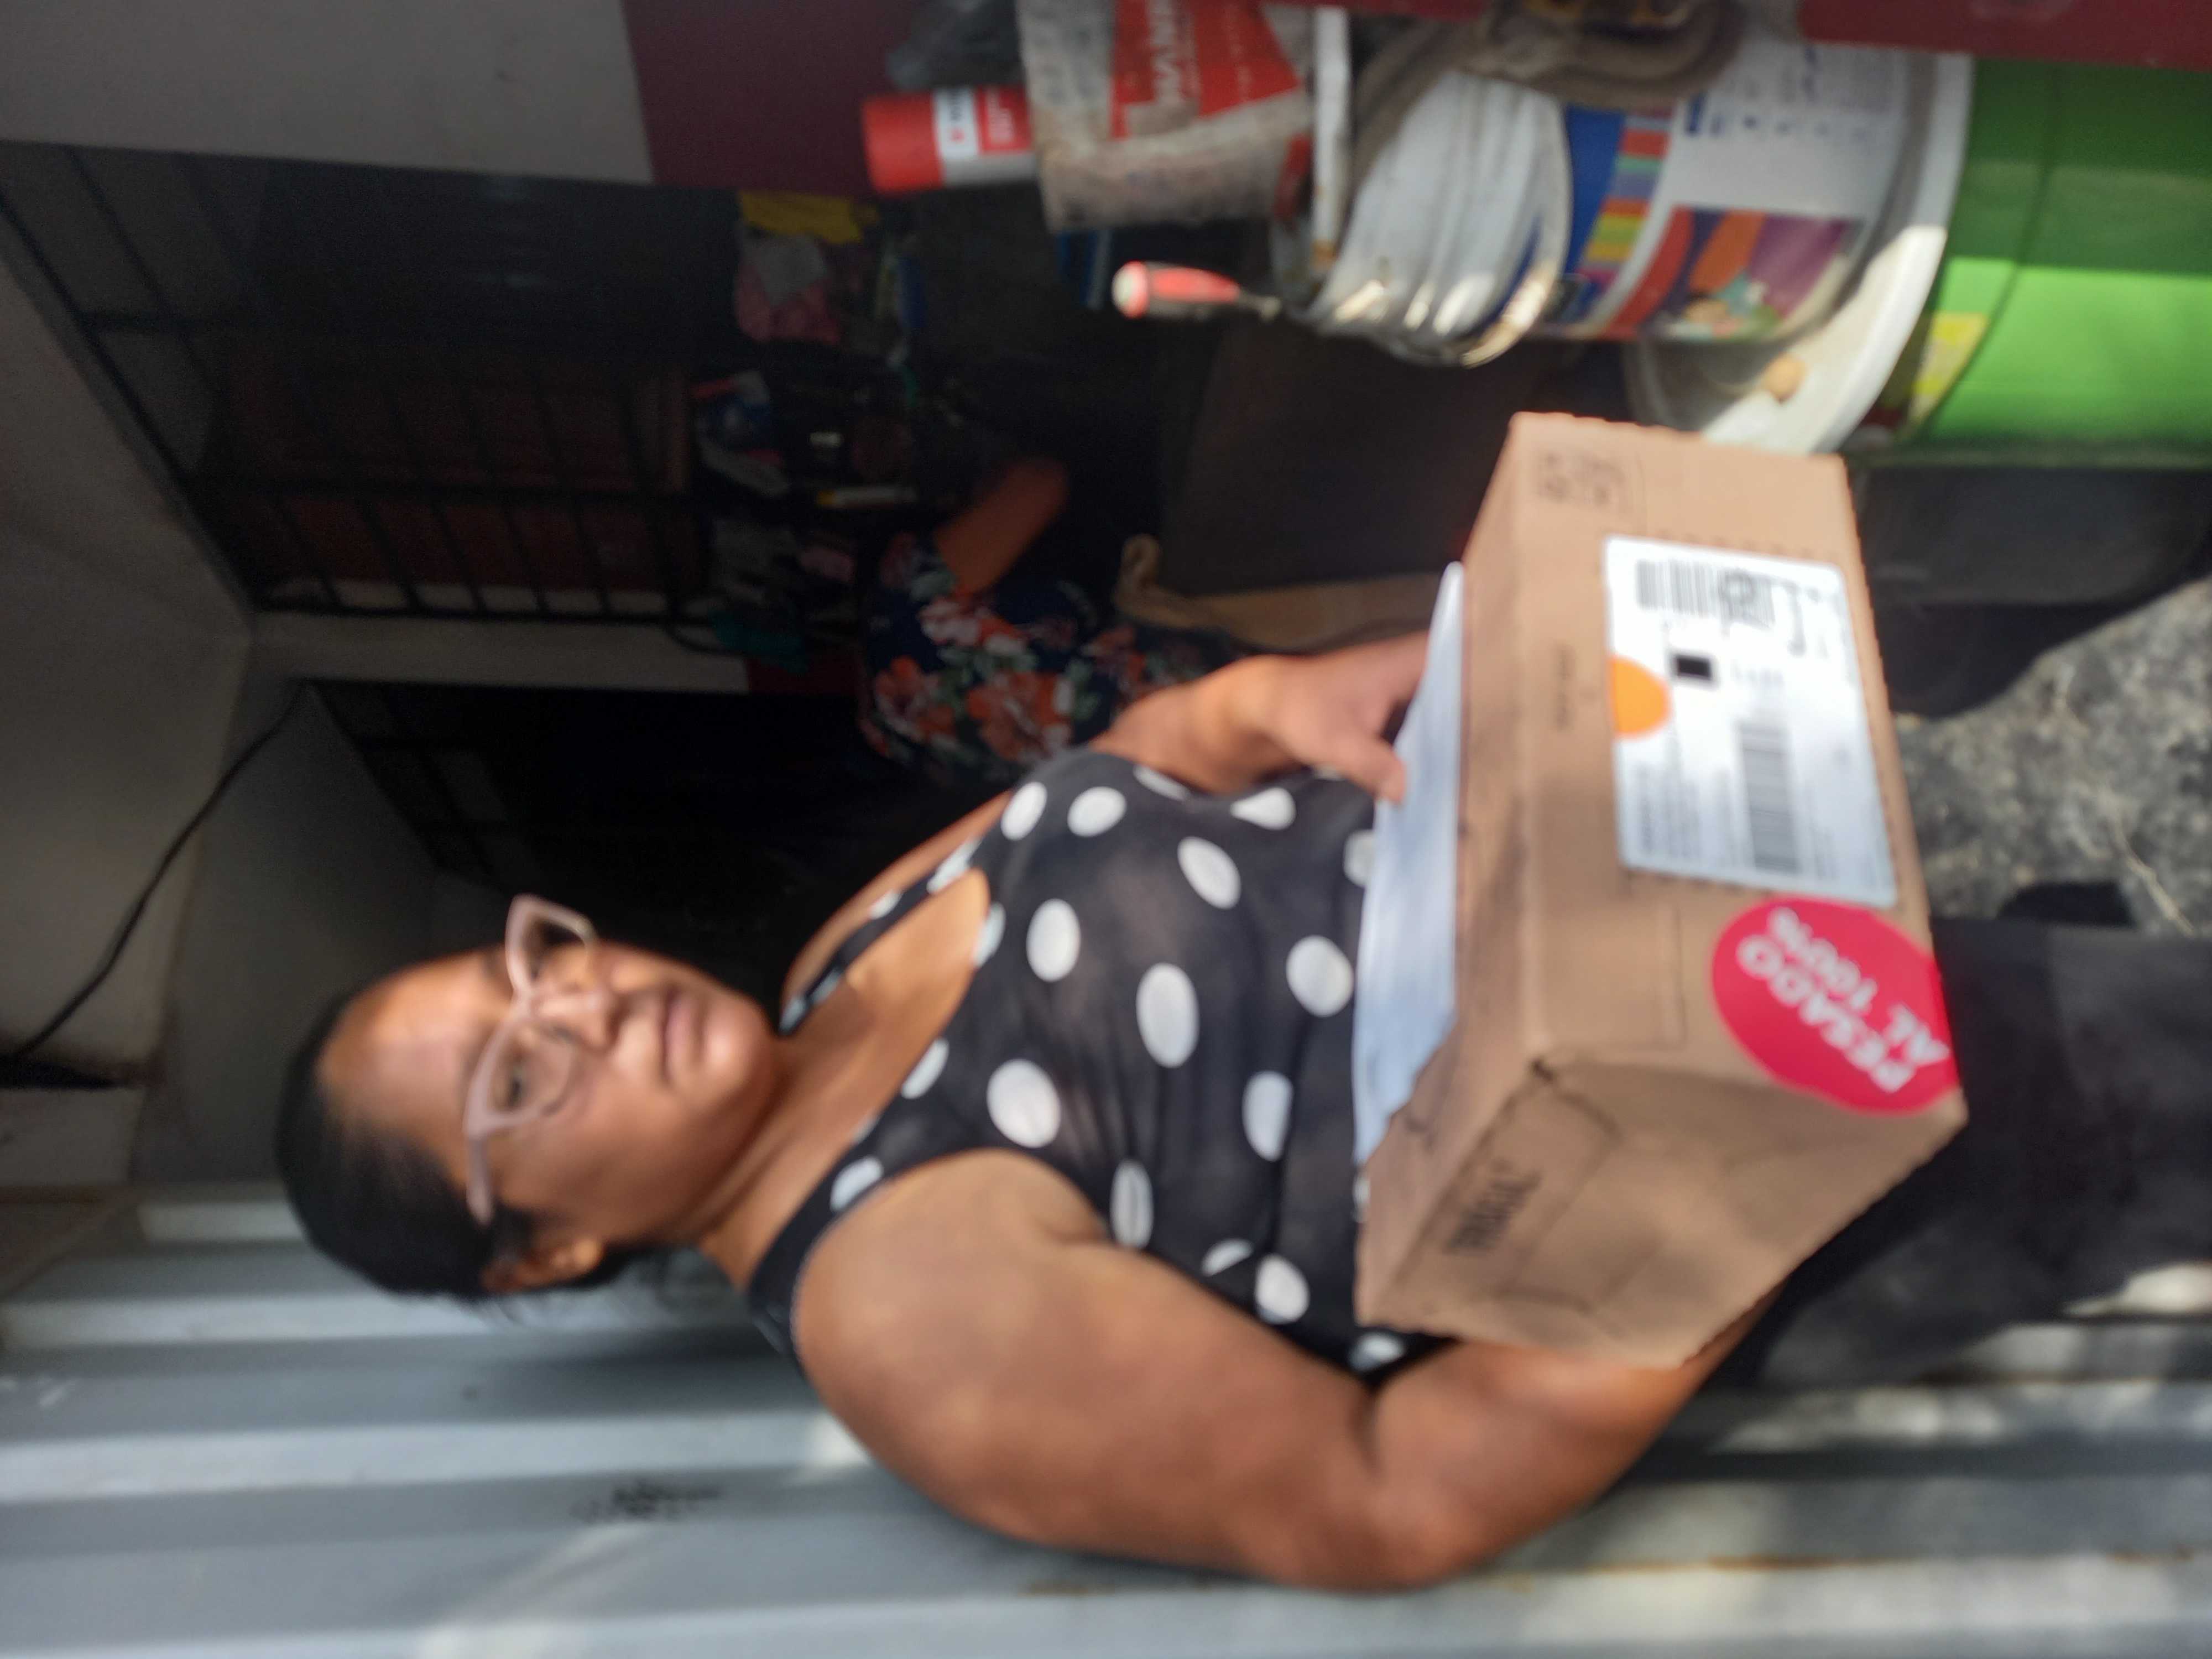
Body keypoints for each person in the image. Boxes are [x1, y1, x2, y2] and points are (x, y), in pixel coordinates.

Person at [278, 634, 2212, 1589]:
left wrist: (1289, 700)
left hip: (1686, 923)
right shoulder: (899, 1305)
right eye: (519, 1077)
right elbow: (1382, 1496)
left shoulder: (835, 957)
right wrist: (1711, 1193)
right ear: (547, 1248)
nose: (585, 1002)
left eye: (530, 964)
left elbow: (1136, 761)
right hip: (1777, 1145)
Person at [859, 455, 1240, 789]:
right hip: (1209, 678)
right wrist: (987, 485)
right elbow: (1040, 482)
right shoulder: (902, 603)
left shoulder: (895, 741)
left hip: (1189, 767)